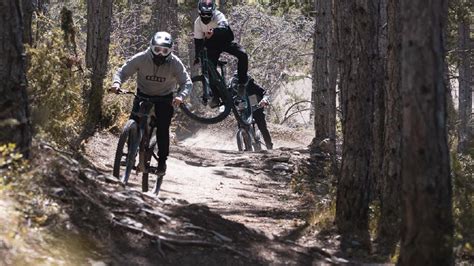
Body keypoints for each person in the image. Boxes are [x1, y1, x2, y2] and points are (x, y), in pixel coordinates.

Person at [111, 31, 192, 175]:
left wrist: (180, 96)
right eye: (157, 50)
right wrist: (116, 84)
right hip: (142, 95)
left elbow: (186, 82)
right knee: (133, 122)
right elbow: (122, 72)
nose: (160, 54)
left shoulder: (175, 63)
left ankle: (162, 162)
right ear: (151, 47)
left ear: (170, 51)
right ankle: (131, 154)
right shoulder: (141, 58)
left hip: (164, 99)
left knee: (162, 128)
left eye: (165, 51)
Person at [193, 0, 249, 106]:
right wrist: (197, 57)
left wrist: (213, 32)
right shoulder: (197, 23)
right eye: (203, 14)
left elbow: (224, 26)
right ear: (199, 12)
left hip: (225, 41)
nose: (205, 16)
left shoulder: (219, 15)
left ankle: (241, 84)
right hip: (212, 46)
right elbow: (198, 42)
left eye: (208, 14)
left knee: (243, 55)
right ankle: (216, 96)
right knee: (209, 70)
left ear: (213, 12)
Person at [231, 74, 273, 150]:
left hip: (255, 105)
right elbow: (228, 98)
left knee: (262, 126)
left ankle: (269, 146)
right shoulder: (233, 88)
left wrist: (264, 100)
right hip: (242, 107)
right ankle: (246, 146)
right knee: (242, 124)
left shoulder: (252, 86)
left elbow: (264, 93)